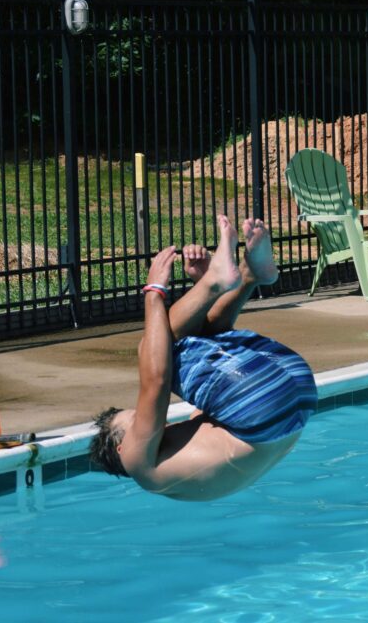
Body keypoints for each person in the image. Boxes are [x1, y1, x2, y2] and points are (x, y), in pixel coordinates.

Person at [89, 215, 317, 501]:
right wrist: (153, 292)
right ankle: (224, 281)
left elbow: (210, 347)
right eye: (135, 420)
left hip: (296, 396)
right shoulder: (136, 462)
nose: (149, 417)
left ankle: (249, 275)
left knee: (195, 340)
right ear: (121, 446)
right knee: (154, 349)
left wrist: (201, 283)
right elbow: (156, 380)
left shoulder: (185, 448)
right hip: (261, 409)